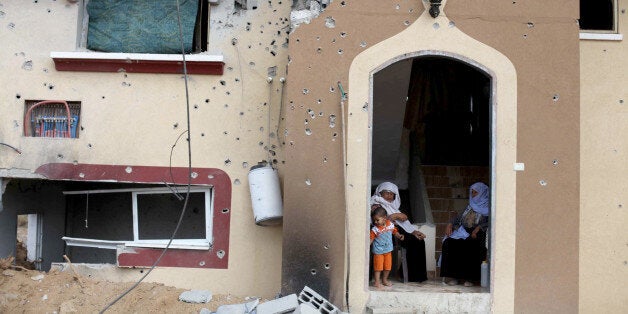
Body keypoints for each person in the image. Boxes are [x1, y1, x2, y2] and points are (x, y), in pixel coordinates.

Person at [370, 182, 428, 282]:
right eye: (386, 193)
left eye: (392, 193)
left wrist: (413, 231)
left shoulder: (393, 207)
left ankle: (412, 276)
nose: (389, 196)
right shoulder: (375, 204)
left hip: (395, 230)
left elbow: (404, 219)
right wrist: (394, 216)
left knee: (418, 240)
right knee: (411, 240)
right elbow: (377, 221)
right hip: (385, 233)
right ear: (380, 194)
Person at [440, 182, 490, 287]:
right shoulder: (470, 206)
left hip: (477, 234)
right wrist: (450, 224)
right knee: (449, 242)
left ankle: (470, 278)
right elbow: (458, 218)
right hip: (464, 232)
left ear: (482, 193)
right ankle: (455, 277)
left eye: (475, 192)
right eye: (471, 192)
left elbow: (489, 221)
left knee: (470, 245)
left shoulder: (489, 207)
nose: (472, 194)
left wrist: (478, 228)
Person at [370, 206, 405, 288]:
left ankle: (384, 280)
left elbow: (395, 232)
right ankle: (377, 282)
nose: (375, 222)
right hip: (378, 251)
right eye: (374, 220)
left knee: (387, 266)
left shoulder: (390, 225)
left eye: (377, 220)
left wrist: (399, 236)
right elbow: (371, 239)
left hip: (388, 250)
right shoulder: (375, 229)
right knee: (378, 267)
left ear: (385, 218)